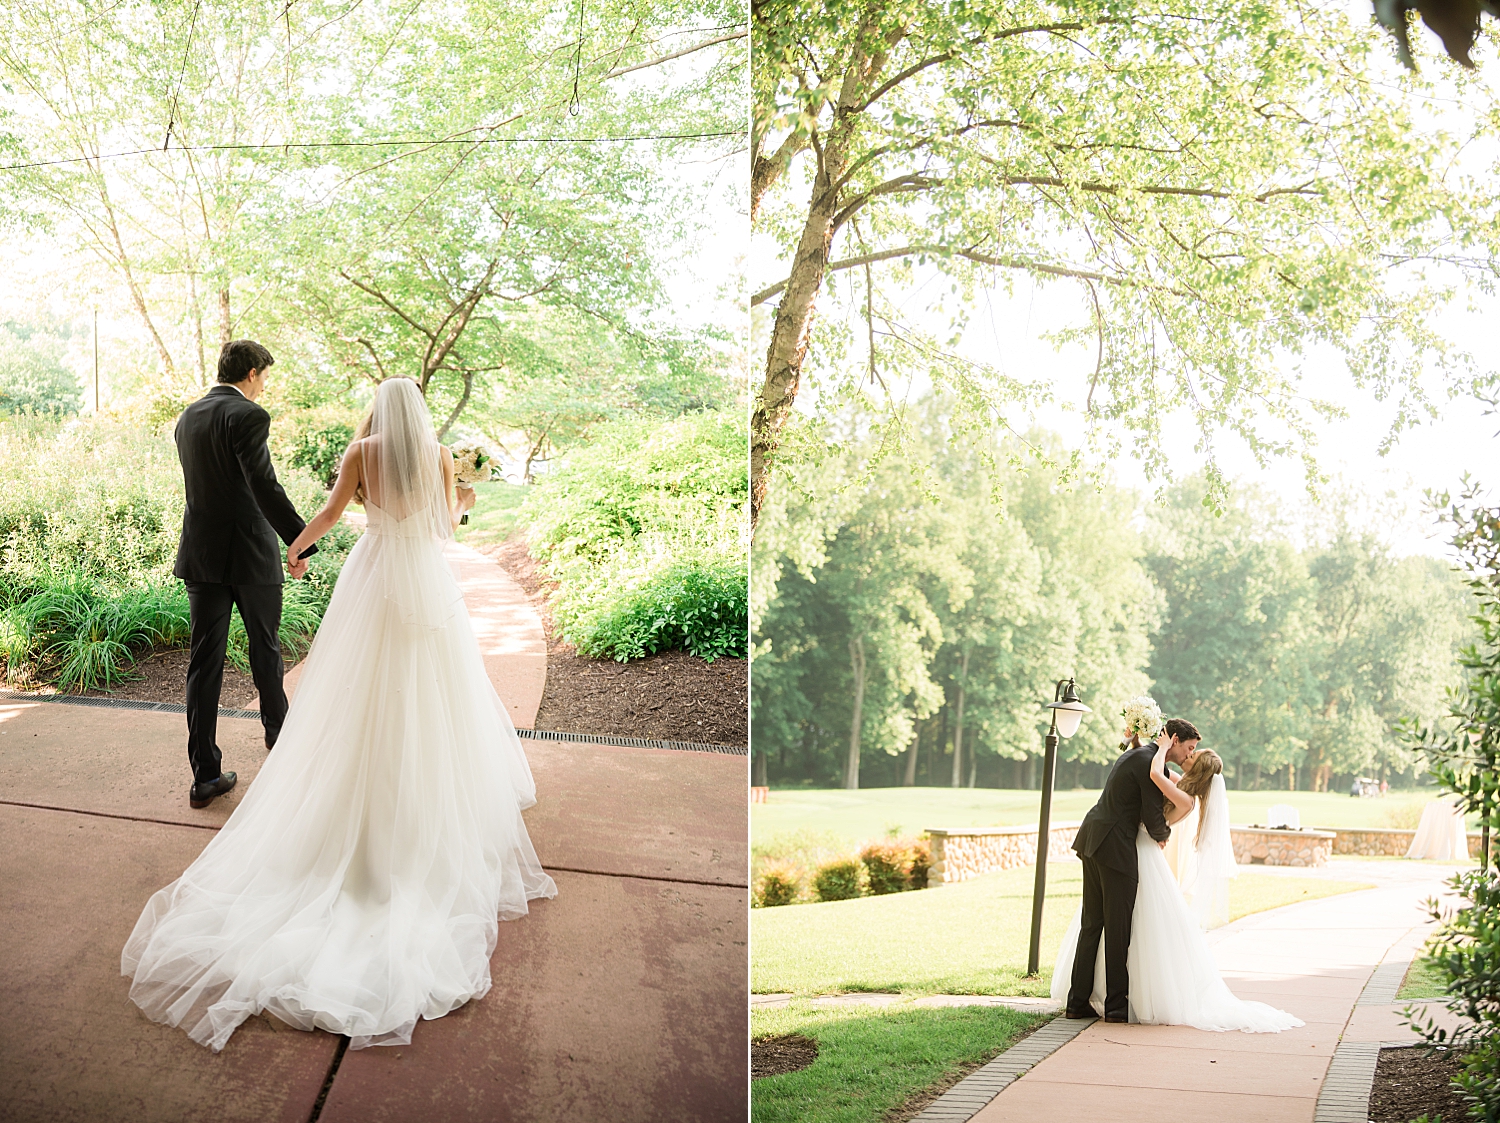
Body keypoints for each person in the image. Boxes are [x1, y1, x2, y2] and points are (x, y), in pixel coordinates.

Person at [122, 377, 557, 1052]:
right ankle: (422, 820)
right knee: (432, 693)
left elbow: (328, 512)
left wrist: (296, 549)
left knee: (355, 693)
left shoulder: (364, 449)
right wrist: (463, 489)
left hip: (375, 575)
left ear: (379, 411)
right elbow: (448, 521)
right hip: (425, 582)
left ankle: (348, 821)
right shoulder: (440, 454)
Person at [1053, 731, 1303, 1032]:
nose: (1189, 755)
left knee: (1114, 927)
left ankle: (1097, 1003)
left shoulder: (1183, 797)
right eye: (1190, 749)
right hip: (1126, 849)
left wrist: (1158, 748)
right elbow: (1149, 773)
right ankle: (1103, 1004)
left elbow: (1153, 775)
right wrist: (1144, 740)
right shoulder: (1176, 784)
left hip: (1133, 849)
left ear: (1196, 768)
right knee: (1107, 926)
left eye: (1194, 753)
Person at [172, 340, 316, 808]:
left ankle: (204, 776)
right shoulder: (249, 415)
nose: (263, 386)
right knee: (266, 648)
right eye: (264, 377)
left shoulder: (188, 417)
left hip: (201, 554)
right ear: (252, 373)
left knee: (204, 661)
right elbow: (263, 485)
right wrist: (300, 540)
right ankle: (280, 741)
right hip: (250, 554)